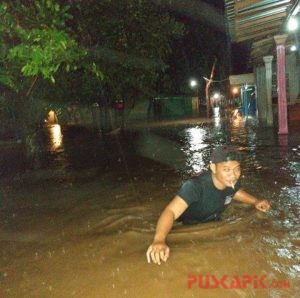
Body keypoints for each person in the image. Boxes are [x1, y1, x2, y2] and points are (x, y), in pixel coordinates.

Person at [146, 145, 270, 265]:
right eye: (226, 169)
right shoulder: (195, 186)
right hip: (188, 225)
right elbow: (171, 212)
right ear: (213, 168)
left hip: (214, 220)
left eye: (237, 168)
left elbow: (235, 191)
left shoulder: (231, 181)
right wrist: (159, 240)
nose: (233, 175)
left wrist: (255, 201)